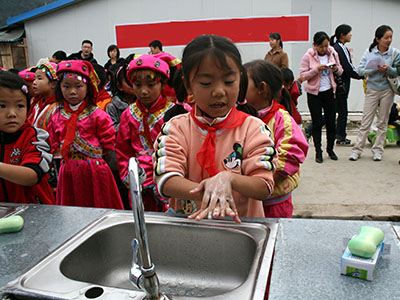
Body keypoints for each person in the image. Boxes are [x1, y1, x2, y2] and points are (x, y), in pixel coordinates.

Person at [153, 34, 277, 224]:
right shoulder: (175, 129)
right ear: (188, 85)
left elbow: (264, 185)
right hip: (189, 227)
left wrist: (229, 179)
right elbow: (166, 179)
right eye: (205, 83)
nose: (219, 91)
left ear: (240, 79)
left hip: (243, 228)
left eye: (228, 82)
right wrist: (209, 190)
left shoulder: (254, 129)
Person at [47, 60, 123, 209]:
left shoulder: (97, 115)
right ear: (59, 88)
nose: (73, 92)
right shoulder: (56, 116)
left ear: (88, 87)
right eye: (66, 87)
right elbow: (54, 142)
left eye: (78, 86)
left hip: (95, 171)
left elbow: (109, 143)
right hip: (68, 172)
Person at [244, 60, 308, 218]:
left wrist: (256, 186)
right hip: (247, 199)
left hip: (273, 202)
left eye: (243, 85)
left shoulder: (282, 120)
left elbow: (288, 159)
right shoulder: (242, 117)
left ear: (261, 88)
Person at [116, 55, 174, 212]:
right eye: (137, 85)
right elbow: (123, 150)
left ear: (162, 84)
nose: (143, 91)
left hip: (168, 178)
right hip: (140, 181)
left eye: (150, 85)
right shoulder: (128, 114)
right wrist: (131, 178)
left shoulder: (174, 113)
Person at [0, 71, 54, 204]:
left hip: (36, 214)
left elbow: (32, 175)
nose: (12, 114)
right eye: (2, 106)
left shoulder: (34, 136)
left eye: (20, 106)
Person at [349, 25, 400, 161]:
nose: (389, 40)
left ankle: (378, 150)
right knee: (366, 121)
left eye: (390, 37)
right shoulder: (369, 52)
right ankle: (357, 149)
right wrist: (375, 69)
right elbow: (360, 70)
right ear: (378, 39)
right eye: (386, 37)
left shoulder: (395, 53)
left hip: (387, 90)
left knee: (383, 122)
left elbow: (397, 71)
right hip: (372, 89)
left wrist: (388, 69)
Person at [300, 31, 343, 163]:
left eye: (326, 46)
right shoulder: (308, 56)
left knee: (331, 123)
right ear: (315, 45)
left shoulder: (333, 53)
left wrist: (335, 69)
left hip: (330, 91)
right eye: (321, 46)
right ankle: (318, 151)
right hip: (314, 93)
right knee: (317, 123)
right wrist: (317, 69)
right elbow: (303, 76)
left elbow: (341, 70)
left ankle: (330, 149)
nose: (324, 49)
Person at [330, 24, 364, 145]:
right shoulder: (340, 48)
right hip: (341, 84)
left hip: (337, 83)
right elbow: (347, 67)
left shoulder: (335, 47)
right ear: (342, 35)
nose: (351, 35)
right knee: (342, 111)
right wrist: (360, 76)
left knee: (336, 109)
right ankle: (341, 136)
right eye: (349, 33)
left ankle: (339, 135)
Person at [27, 63, 58, 131]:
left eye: (39, 78)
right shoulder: (36, 103)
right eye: (34, 79)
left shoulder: (57, 108)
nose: (34, 82)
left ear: (53, 84)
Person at [107, 60, 136, 131]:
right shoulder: (112, 107)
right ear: (120, 86)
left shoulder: (144, 102)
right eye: (128, 82)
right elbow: (112, 129)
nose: (133, 84)